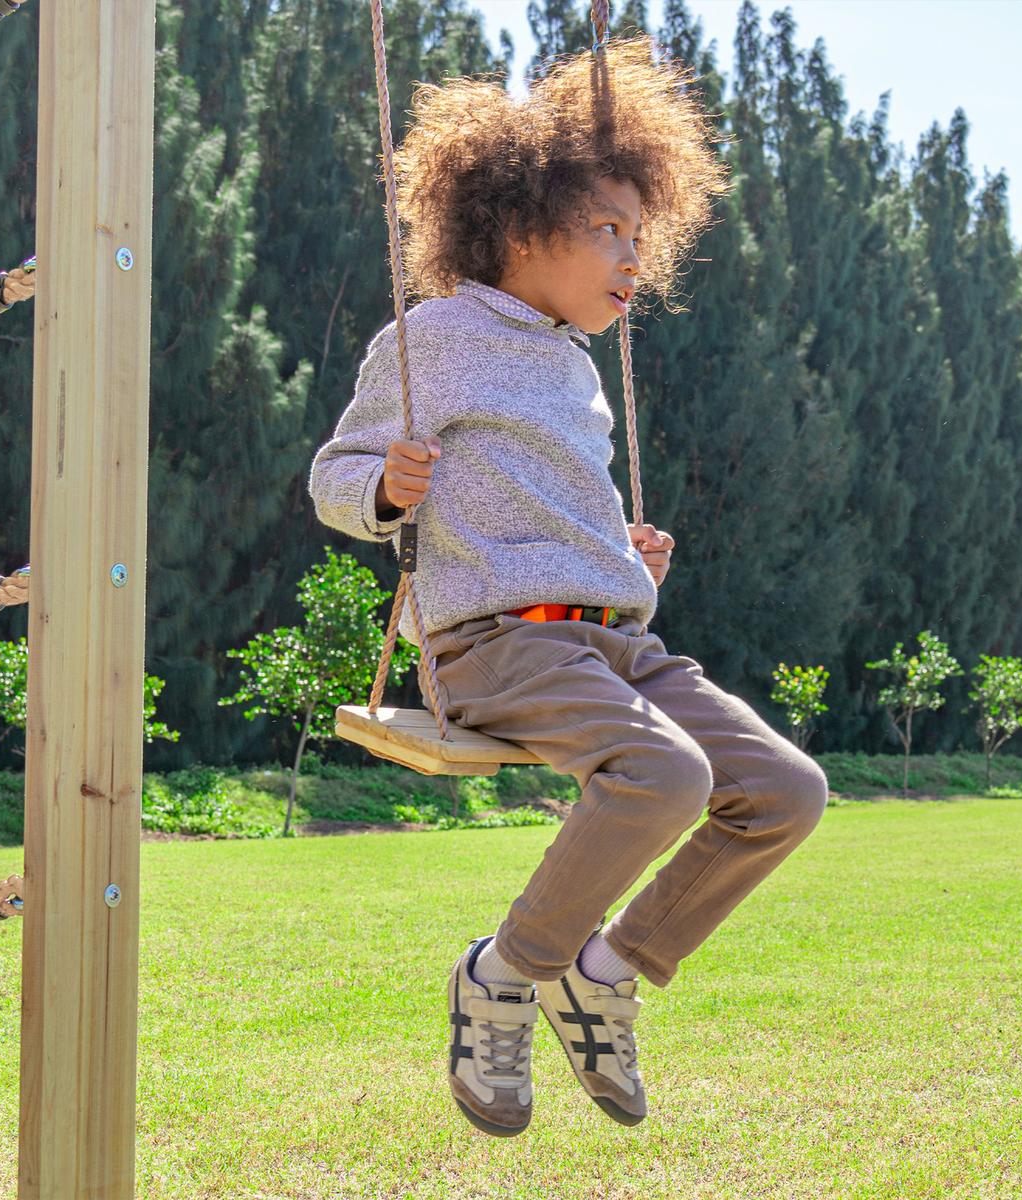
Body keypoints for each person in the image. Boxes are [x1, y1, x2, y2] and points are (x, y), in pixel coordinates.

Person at [309, 37, 829, 1138]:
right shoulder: (436, 337)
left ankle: (610, 967)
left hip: (612, 645)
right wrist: (389, 490)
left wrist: (616, 563)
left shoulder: (576, 367)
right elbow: (336, 476)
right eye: (608, 230)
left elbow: (546, 505)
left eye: (643, 236)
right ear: (517, 226)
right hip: (496, 648)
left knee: (785, 791)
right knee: (665, 775)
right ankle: (505, 973)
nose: (634, 258)